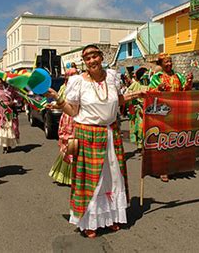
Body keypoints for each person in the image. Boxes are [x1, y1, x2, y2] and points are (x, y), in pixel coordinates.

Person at [46, 44, 146, 238]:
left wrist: (138, 94)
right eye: (87, 58)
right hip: (88, 135)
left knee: (113, 177)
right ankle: (89, 222)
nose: (91, 60)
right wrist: (58, 98)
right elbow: (73, 111)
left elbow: (118, 99)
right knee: (93, 181)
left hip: (111, 134)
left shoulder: (112, 77)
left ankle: (111, 218)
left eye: (94, 56)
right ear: (85, 62)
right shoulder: (78, 82)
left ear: (101, 57)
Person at [149, 53, 193, 182]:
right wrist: (158, 88)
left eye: (170, 61)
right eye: (166, 62)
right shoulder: (157, 77)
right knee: (164, 141)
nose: (169, 64)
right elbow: (149, 93)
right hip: (163, 114)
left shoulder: (178, 76)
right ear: (161, 64)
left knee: (176, 140)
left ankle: (174, 166)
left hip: (178, 112)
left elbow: (185, 91)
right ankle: (163, 169)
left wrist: (189, 82)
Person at [48, 68, 78, 185]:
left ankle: (73, 175)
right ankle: (66, 175)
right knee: (67, 147)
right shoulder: (63, 88)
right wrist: (53, 106)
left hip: (77, 118)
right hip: (67, 119)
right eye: (71, 75)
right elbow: (61, 102)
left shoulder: (80, 87)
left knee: (74, 146)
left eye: (75, 75)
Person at [0, 74, 21, 154]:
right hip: (1, 110)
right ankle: (4, 146)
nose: (0, 81)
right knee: (2, 127)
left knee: (10, 127)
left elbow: (18, 98)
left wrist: (13, 102)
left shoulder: (12, 88)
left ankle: (9, 144)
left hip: (10, 110)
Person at [125, 67, 149, 150]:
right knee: (140, 127)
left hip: (148, 111)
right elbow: (127, 95)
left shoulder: (150, 85)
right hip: (138, 111)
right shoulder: (135, 85)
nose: (146, 76)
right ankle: (140, 144)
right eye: (145, 74)